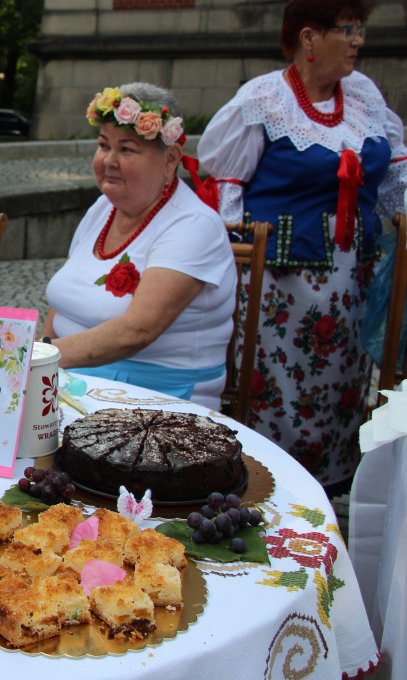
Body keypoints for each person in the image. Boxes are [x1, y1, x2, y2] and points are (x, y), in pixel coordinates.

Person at [197, 0, 407, 488]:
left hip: (353, 277)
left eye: (361, 29)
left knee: (343, 383)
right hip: (279, 285)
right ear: (309, 37)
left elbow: (395, 168)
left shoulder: (364, 96)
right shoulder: (265, 98)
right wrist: (235, 261)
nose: (359, 40)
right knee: (279, 386)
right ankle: (272, 481)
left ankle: (335, 484)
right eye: (348, 29)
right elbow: (228, 181)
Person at [42, 83, 237, 411]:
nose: (109, 161)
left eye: (127, 149)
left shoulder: (193, 225)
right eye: (104, 146)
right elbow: (62, 303)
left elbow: (137, 331)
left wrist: (37, 360)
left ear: (170, 159)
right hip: (70, 380)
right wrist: (37, 364)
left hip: (155, 401)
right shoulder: (101, 209)